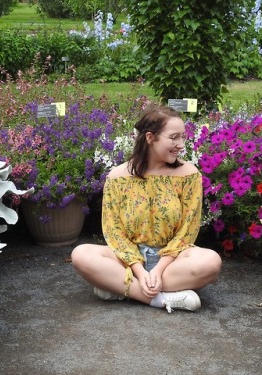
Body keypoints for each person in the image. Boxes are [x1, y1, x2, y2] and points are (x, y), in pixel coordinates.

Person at [71, 105, 222, 313]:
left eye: (183, 137)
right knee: (81, 254)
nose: (180, 145)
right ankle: (158, 298)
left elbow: (188, 229)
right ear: (151, 138)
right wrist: (140, 271)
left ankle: (120, 288)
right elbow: (114, 231)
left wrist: (159, 269)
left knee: (211, 262)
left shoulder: (188, 175)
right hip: (128, 261)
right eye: (174, 137)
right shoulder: (118, 177)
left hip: (173, 263)